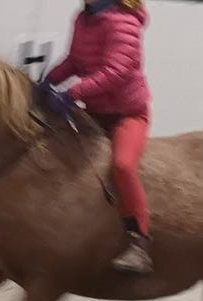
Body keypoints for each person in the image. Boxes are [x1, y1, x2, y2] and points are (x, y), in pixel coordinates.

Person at [44, 0, 153, 275]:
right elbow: (74, 60)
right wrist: (48, 81)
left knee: (123, 166)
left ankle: (139, 243)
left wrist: (71, 94)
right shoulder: (83, 18)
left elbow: (116, 72)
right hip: (95, 112)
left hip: (128, 115)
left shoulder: (124, 21)